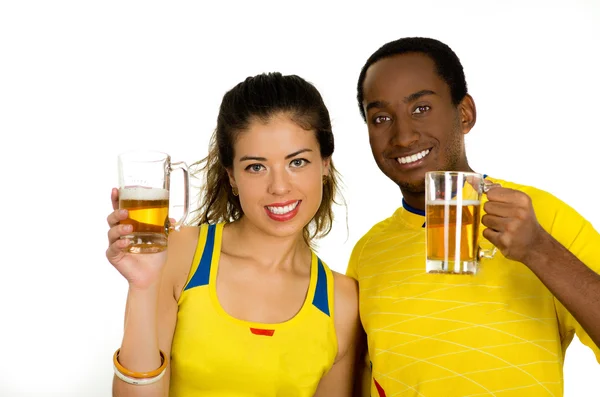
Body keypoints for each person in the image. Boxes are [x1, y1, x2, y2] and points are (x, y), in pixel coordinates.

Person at [347, 37, 600, 396]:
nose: (402, 137)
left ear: (464, 113)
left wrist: (539, 250)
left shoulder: (542, 217)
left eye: (421, 108)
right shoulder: (367, 253)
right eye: (381, 118)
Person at [105, 72, 360, 397]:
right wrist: (142, 287)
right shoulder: (181, 255)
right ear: (232, 176)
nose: (279, 187)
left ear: (325, 164)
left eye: (297, 162)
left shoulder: (343, 300)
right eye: (256, 166)